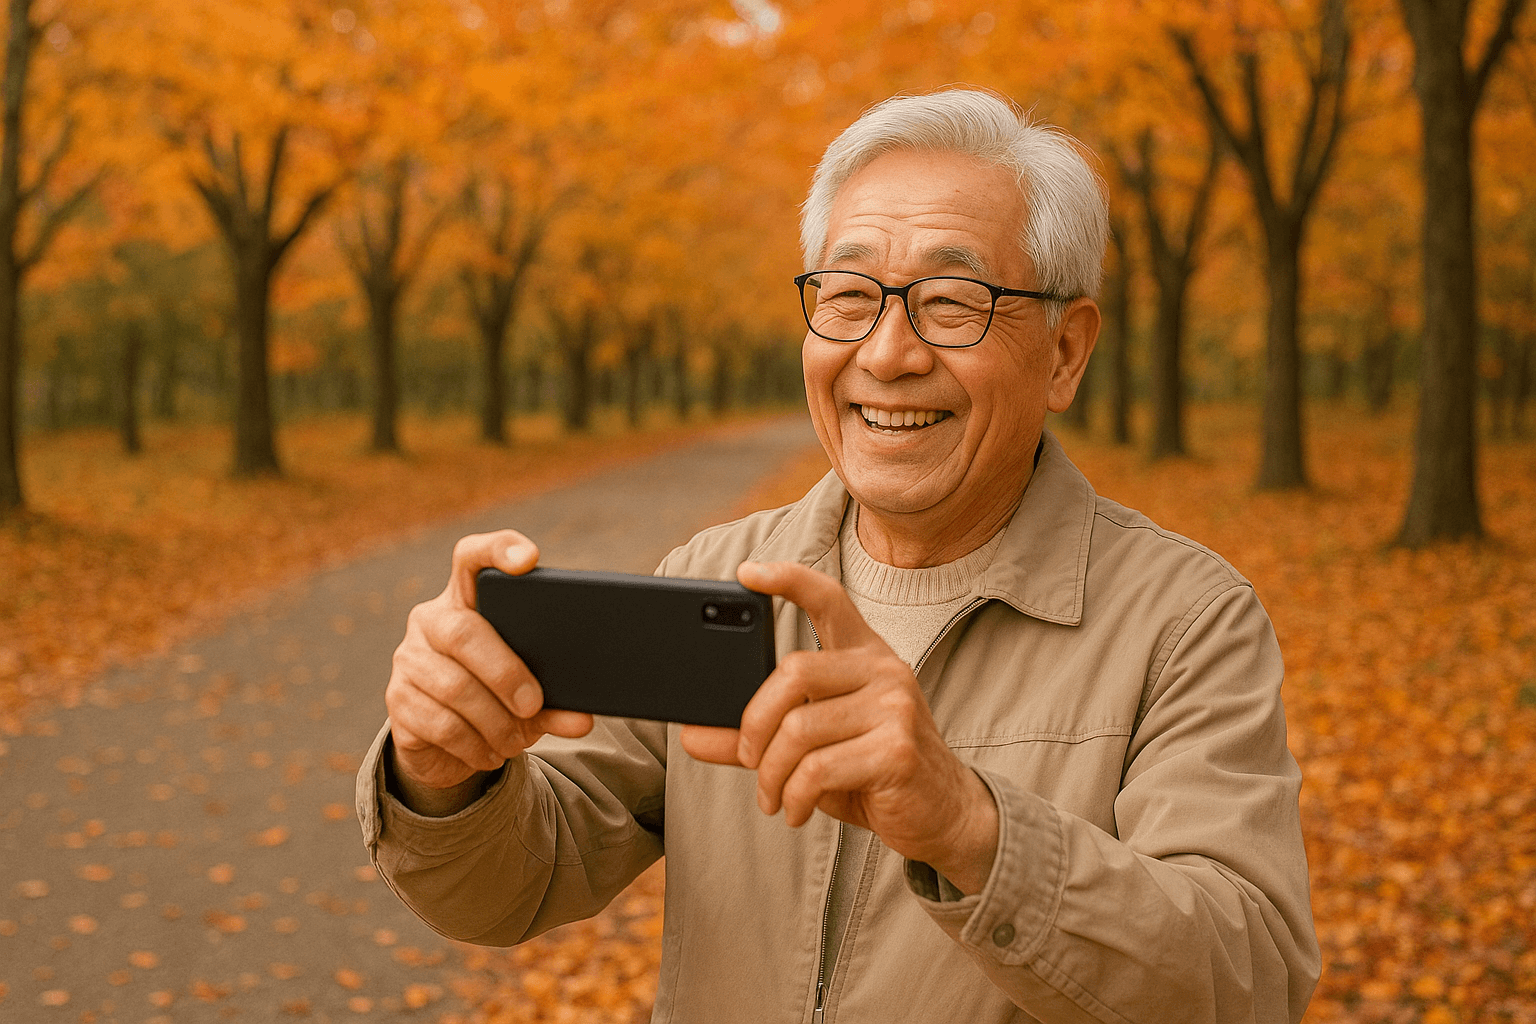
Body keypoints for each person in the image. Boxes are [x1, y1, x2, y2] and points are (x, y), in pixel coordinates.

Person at [356, 89, 1320, 1023]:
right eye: (851, 295)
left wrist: (967, 825)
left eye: (952, 302)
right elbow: (510, 890)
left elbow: (1247, 982)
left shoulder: (1184, 624)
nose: (887, 353)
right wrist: (443, 775)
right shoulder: (717, 577)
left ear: (1065, 351)